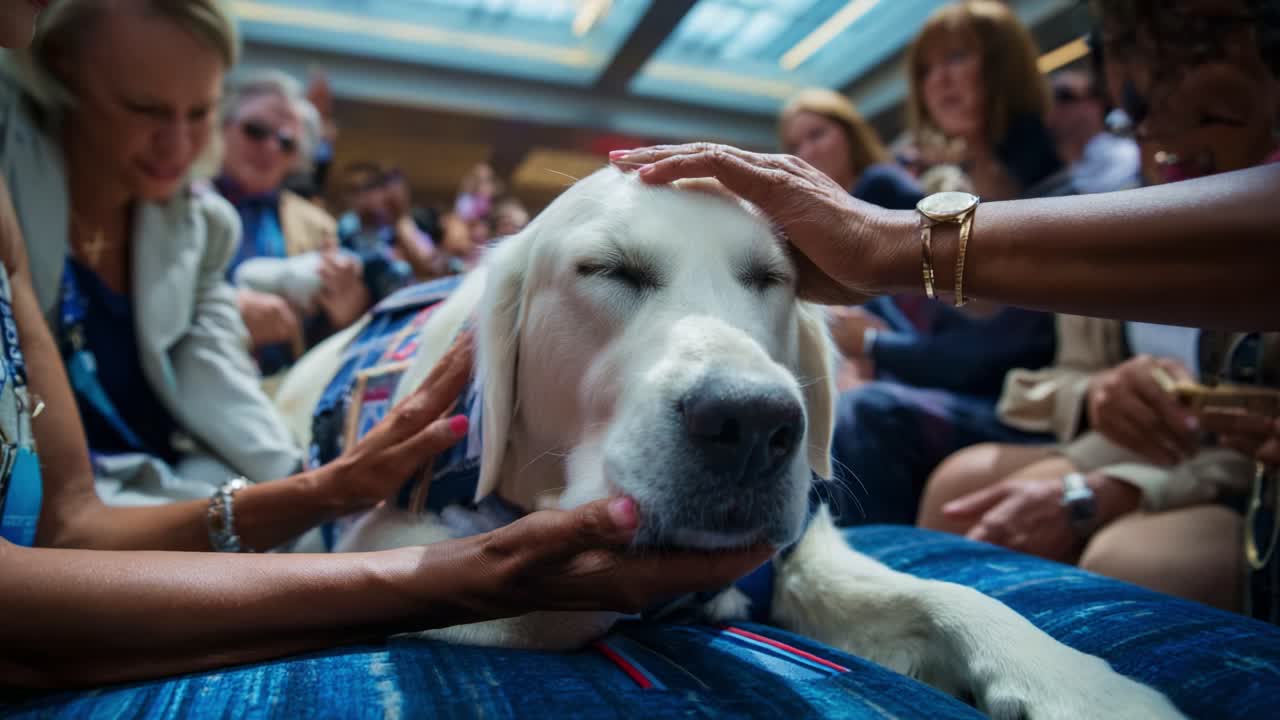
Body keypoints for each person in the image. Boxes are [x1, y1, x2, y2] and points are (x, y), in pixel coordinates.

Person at [0, 2, 776, 691]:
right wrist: (435, 568)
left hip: (155, 482)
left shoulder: (202, 231)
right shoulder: (14, 166)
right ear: (57, 74)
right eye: (142, 108)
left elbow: (217, 400)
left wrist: (323, 489)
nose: (176, 141)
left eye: (197, 112)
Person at [777, 88, 1054, 524]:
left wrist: (871, 345)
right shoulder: (825, 230)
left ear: (850, 135)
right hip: (934, 379)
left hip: (994, 394)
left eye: (818, 134)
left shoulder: (880, 190)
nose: (808, 151)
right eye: (795, 145)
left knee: (861, 411)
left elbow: (971, 340)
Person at [215, 69, 368, 377]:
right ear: (223, 125)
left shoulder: (317, 225)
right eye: (256, 130)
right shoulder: (181, 200)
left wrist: (348, 311)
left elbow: (331, 345)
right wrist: (229, 313)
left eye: (286, 143)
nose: (270, 147)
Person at [906, 0, 1070, 200]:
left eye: (956, 57)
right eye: (925, 70)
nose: (936, 79)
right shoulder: (946, 185)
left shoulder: (1059, 146)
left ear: (1003, 64)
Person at [1046, 68, 1142, 194]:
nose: (1055, 107)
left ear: (1095, 104)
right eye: (1049, 98)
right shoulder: (1046, 171)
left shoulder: (1128, 156)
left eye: (1064, 96)